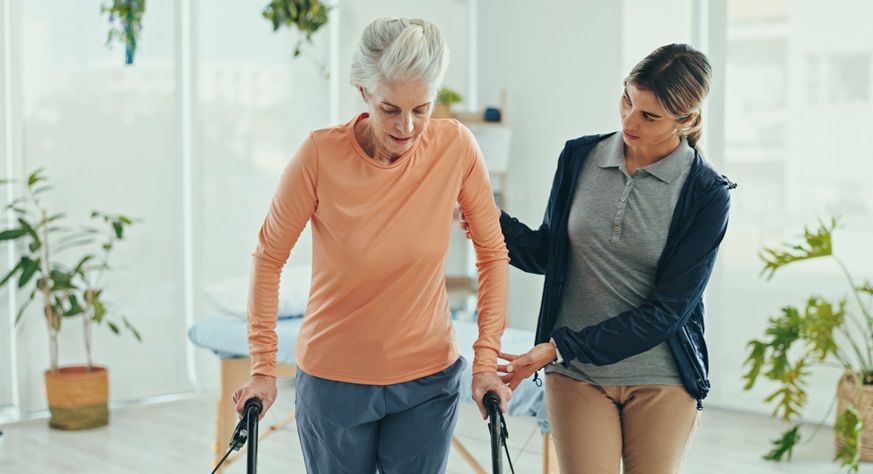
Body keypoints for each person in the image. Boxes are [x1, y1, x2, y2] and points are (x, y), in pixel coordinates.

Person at [231, 17, 511, 473]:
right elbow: (268, 258)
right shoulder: (319, 155)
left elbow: (493, 254)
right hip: (334, 382)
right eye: (390, 109)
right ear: (363, 91)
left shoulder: (456, 146)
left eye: (422, 108)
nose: (407, 126)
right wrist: (262, 368)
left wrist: (485, 360)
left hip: (428, 380)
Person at [461, 43, 735, 473]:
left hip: (660, 378)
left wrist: (558, 347)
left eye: (649, 116)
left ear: (686, 120)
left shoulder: (706, 194)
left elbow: (667, 312)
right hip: (577, 373)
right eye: (627, 100)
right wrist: (488, 218)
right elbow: (549, 254)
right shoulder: (579, 158)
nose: (629, 121)